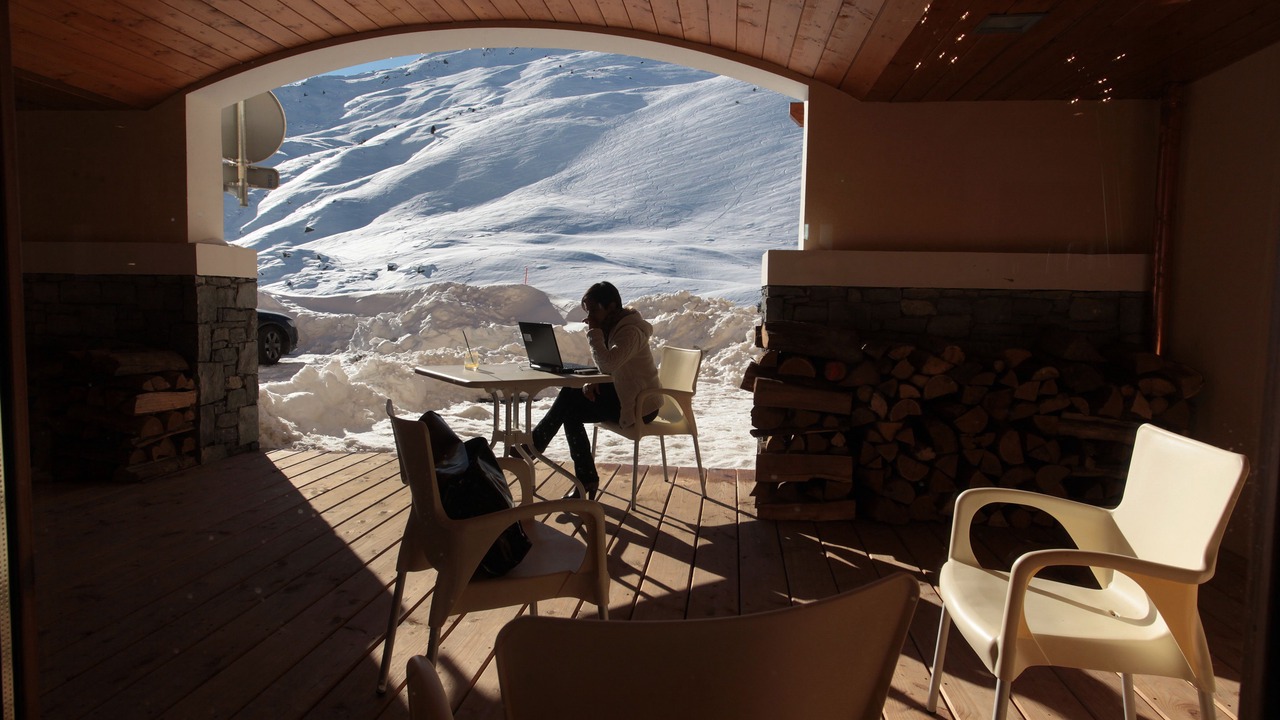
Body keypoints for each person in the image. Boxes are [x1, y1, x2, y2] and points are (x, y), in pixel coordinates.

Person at [527, 282, 662, 500]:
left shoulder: (631, 331)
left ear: (611, 306)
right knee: (571, 404)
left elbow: (609, 365)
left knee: (569, 400)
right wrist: (593, 382)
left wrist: (594, 333)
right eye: (588, 311)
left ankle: (535, 446)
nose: (589, 317)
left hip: (639, 404)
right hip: (622, 394)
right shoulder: (614, 327)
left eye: (594, 310)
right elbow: (613, 370)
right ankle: (581, 477)